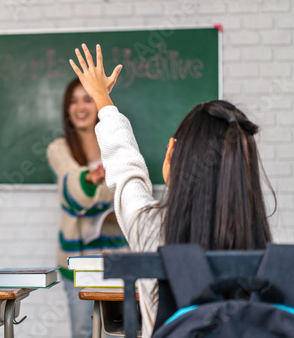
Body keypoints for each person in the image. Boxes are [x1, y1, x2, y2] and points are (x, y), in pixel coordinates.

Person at [69, 43, 273, 338]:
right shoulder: (266, 251)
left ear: (173, 151)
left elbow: (127, 171)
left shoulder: (151, 228)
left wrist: (102, 97)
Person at [46, 77, 129, 338]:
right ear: (66, 108)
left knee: (120, 330)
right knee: (84, 331)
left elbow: (130, 192)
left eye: (88, 99)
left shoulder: (115, 144)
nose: (80, 107)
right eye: (73, 101)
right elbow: (72, 192)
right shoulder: (58, 149)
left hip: (117, 257)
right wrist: (92, 181)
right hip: (78, 262)